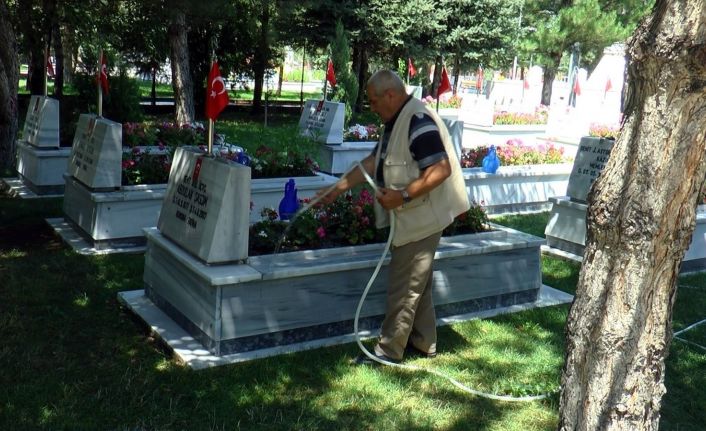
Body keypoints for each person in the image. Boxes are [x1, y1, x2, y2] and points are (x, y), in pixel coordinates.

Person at [317, 70, 470, 364]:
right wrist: (338, 189)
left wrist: (403, 196)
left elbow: (440, 169)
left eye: (374, 101)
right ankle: (424, 343)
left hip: (422, 219)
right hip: (415, 217)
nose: (372, 108)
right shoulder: (397, 120)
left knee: (404, 288)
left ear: (390, 95)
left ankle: (388, 351)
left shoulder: (417, 121)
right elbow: (373, 161)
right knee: (417, 282)